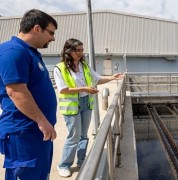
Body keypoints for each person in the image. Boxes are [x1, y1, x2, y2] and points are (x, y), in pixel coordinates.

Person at [0, 9, 58, 180]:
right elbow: (16, 92)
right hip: (23, 132)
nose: (53, 38)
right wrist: (42, 121)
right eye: (51, 33)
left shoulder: (30, 52)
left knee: (40, 175)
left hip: (38, 130)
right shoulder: (13, 52)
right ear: (37, 28)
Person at [54, 38, 123, 177]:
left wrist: (112, 78)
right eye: (77, 50)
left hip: (86, 103)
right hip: (71, 106)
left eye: (81, 50)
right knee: (74, 137)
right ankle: (64, 165)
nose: (80, 53)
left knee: (83, 136)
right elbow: (63, 89)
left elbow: (97, 79)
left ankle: (81, 161)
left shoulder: (84, 66)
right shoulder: (60, 68)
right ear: (69, 51)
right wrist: (84, 88)